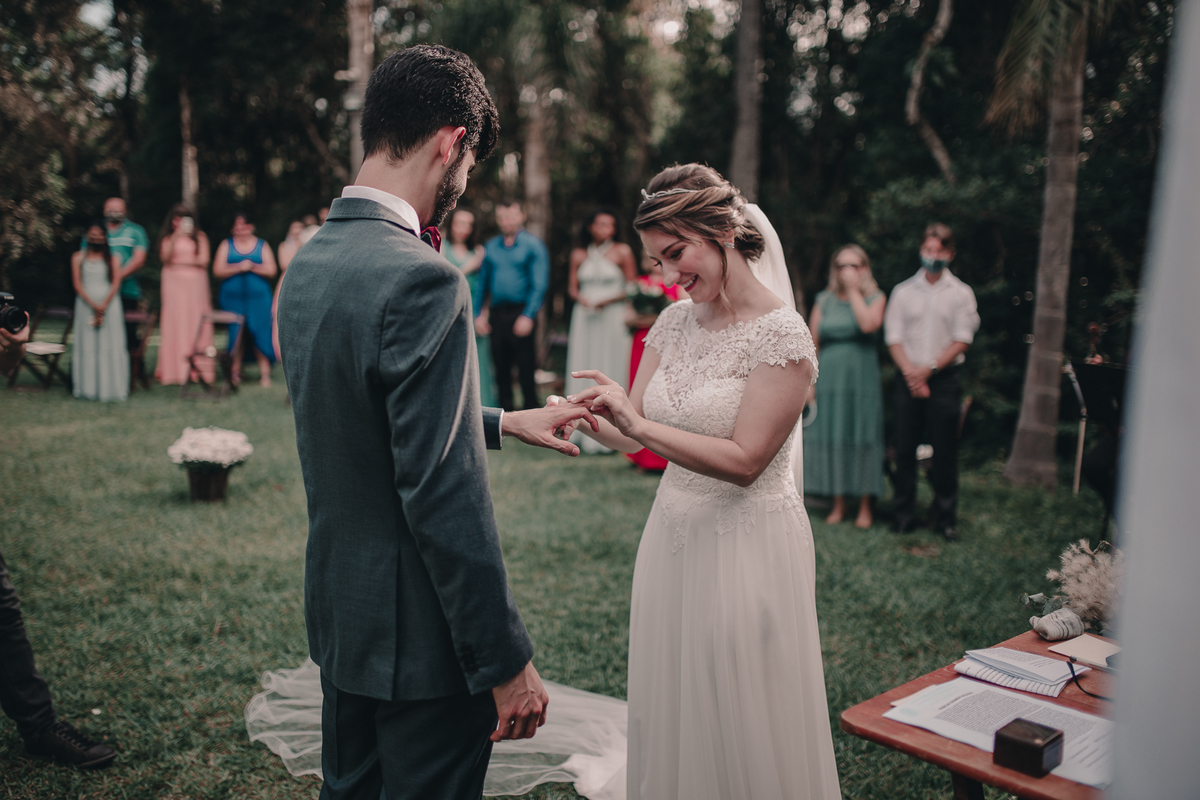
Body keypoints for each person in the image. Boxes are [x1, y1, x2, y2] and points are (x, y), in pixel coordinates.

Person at [275, 44, 600, 800]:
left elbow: (358, 413)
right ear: (452, 142)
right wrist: (504, 660)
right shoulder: (424, 279)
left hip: (343, 618)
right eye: (470, 164)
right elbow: (440, 493)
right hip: (422, 645)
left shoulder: (309, 263)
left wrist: (498, 420)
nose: (463, 184)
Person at [565, 164, 842, 800]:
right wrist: (588, 415)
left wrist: (635, 421)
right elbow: (634, 430)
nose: (669, 275)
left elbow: (746, 461)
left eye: (675, 253)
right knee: (678, 683)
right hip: (673, 533)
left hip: (748, 542)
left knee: (745, 696)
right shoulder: (671, 323)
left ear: (720, 230)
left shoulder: (783, 336)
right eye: (658, 260)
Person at [884, 222, 980, 542]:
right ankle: (903, 515)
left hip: (944, 379)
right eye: (928, 249)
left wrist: (930, 370)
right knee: (905, 447)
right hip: (907, 376)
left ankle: (944, 518)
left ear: (950, 253)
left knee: (945, 451)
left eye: (939, 250)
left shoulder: (962, 294)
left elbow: (962, 339)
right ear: (921, 250)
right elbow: (894, 338)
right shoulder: (902, 291)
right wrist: (912, 373)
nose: (932, 255)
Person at [803, 244, 886, 528]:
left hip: (862, 379)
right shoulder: (824, 300)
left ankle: (865, 506)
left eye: (853, 265)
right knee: (834, 435)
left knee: (862, 434)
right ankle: (838, 503)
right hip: (829, 379)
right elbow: (813, 342)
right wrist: (811, 382)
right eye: (841, 266)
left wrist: (853, 292)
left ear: (864, 269)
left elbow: (868, 325)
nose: (846, 271)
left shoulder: (876, 297)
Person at [564, 208, 637, 454]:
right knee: (584, 361)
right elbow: (572, 288)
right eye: (601, 224)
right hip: (585, 317)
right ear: (591, 227)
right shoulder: (579, 254)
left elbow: (633, 286)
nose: (605, 229)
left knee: (610, 363)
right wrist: (582, 299)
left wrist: (606, 301)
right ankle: (579, 428)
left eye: (610, 225)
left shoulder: (622, 251)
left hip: (612, 315)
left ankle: (616, 432)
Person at [473, 199, 549, 411]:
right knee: (500, 364)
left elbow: (539, 284)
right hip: (497, 313)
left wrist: (528, 315)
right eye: (502, 217)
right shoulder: (490, 247)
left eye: (511, 216)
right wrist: (478, 314)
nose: (506, 221)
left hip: (521, 311)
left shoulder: (533, 245)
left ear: (521, 217)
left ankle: (531, 408)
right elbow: (482, 284)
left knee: (526, 365)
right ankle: (505, 411)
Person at [624, 252, 685, 471]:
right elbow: (628, 318)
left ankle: (662, 457)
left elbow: (683, 316)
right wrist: (653, 316)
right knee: (638, 396)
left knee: (661, 395)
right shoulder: (637, 285)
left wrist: (657, 317)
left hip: (668, 345)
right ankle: (639, 456)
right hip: (640, 343)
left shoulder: (678, 284)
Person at [212, 213, 278, 387]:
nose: (241, 230)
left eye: (244, 226)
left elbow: (272, 270)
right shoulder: (226, 245)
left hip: (258, 299)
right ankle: (234, 372)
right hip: (232, 299)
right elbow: (217, 270)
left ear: (251, 227)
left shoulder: (262, 245)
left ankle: (265, 374)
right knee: (236, 334)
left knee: (260, 331)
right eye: (237, 227)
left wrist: (252, 266)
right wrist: (238, 267)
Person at [442, 208, 498, 407]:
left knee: (478, 365)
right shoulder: (441, 247)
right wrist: (469, 267)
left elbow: (486, 289)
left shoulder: (479, 252)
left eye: (469, 224)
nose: (464, 229)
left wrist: (484, 315)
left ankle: (480, 411)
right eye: (460, 223)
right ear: (452, 224)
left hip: (474, 315)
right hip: (448, 314)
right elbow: (443, 279)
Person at [155, 205, 215, 385]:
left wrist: (180, 264)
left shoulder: (200, 237)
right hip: (173, 285)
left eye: (184, 218)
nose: (180, 222)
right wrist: (177, 236)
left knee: (196, 320)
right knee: (175, 321)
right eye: (177, 219)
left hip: (195, 285)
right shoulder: (168, 238)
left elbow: (203, 260)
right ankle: (175, 370)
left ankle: (199, 370)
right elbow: (165, 258)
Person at [70, 223, 129, 402]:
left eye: (99, 235)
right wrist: (93, 304)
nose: (96, 238)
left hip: (110, 305)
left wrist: (103, 304)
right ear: (87, 237)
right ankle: (87, 389)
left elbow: (116, 283)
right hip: (85, 304)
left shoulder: (114, 258)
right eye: (92, 234)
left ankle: (111, 389)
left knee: (110, 344)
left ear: (105, 238)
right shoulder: (78, 257)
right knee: (87, 345)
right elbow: (77, 284)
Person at [98, 198, 150, 369]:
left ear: (125, 210)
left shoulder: (136, 231)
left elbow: (139, 259)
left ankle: (133, 371)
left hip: (128, 291)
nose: (114, 211)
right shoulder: (97, 231)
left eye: (118, 208)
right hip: (99, 291)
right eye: (110, 208)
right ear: (104, 210)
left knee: (128, 333)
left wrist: (117, 277)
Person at [272, 220, 304, 361]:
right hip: (287, 279)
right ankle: (280, 349)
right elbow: (285, 264)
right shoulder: (283, 246)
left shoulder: (309, 244)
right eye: (294, 229)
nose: (296, 233)